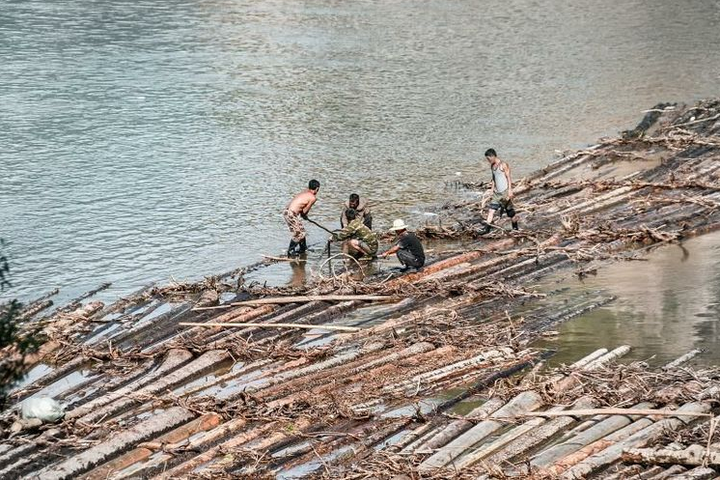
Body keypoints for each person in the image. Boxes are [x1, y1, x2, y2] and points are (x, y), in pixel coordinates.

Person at [481, 148, 518, 234]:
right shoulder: (492, 166)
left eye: (488, 159)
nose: (488, 161)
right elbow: (494, 178)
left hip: (505, 192)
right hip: (497, 193)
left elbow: (508, 178)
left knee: (511, 212)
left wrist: (510, 190)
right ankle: (487, 229)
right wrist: (492, 189)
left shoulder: (503, 165)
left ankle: (515, 228)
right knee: (491, 210)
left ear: (493, 156)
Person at [283, 179, 320, 256]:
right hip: (291, 214)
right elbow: (305, 211)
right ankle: (290, 251)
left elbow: (296, 204)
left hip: (287, 212)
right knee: (299, 233)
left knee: (302, 230)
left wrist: (302, 215)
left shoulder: (304, 192)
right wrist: (305, 216)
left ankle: (303, 248)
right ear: (317, 188)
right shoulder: (313, 197)